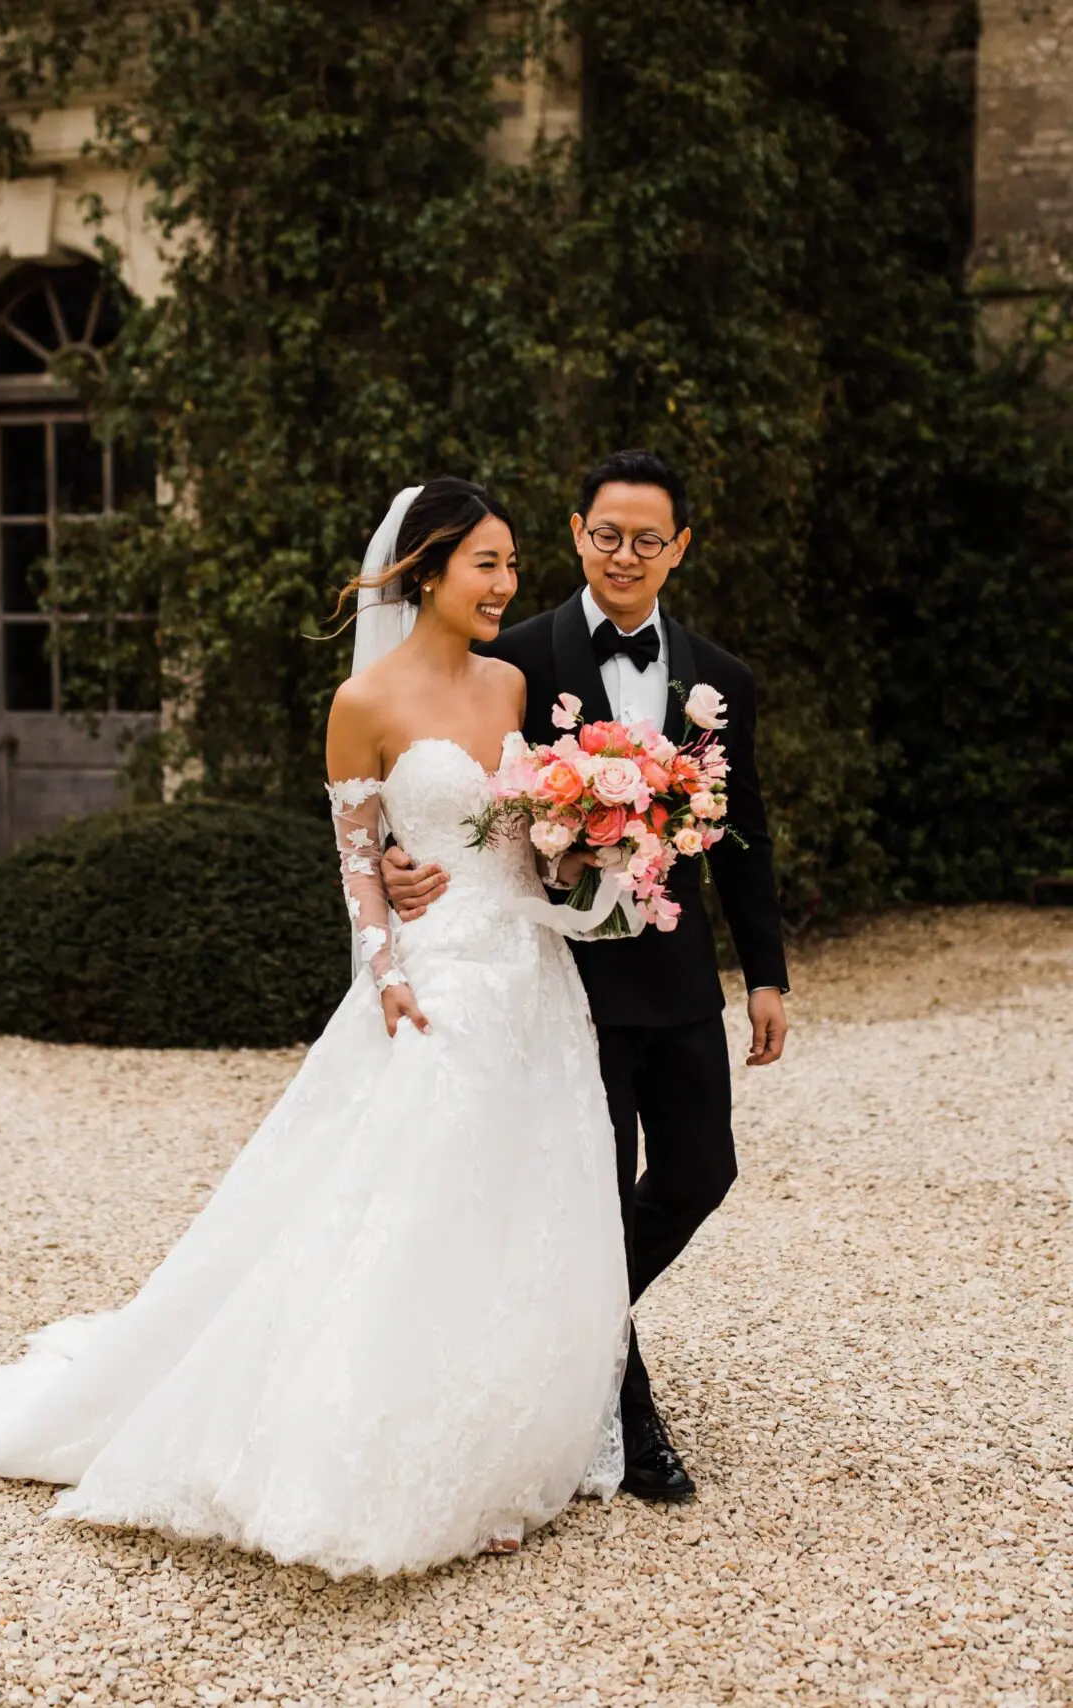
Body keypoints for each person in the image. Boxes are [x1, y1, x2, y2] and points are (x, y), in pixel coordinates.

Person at [0, 477, 631, 1578]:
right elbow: (356, 863)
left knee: (529, 1199)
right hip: (436, 986)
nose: (507, 584)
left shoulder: (515, 681)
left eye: (513, 564)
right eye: (488, 563)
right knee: (426, 1203)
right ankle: (380, 1448)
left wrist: (591, 842)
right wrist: (385, 971)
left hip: (529, 969)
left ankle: (501, 1449)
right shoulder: (364, 705)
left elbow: (521, 841)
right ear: (427, 571)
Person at [384, 450, 790, 1503]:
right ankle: (630, 1417)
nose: (623, 554)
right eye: (606, 534)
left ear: (678, 548)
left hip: (679, 975)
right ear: (578, 534)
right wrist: (395, 851)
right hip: (557, 976)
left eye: (646, 538)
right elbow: (439, 772)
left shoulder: (722, 680)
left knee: (703, 1171)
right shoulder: (515, 659)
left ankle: (553, 1327)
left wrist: (767, 974)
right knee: (594, 1196)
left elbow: (746, 831)